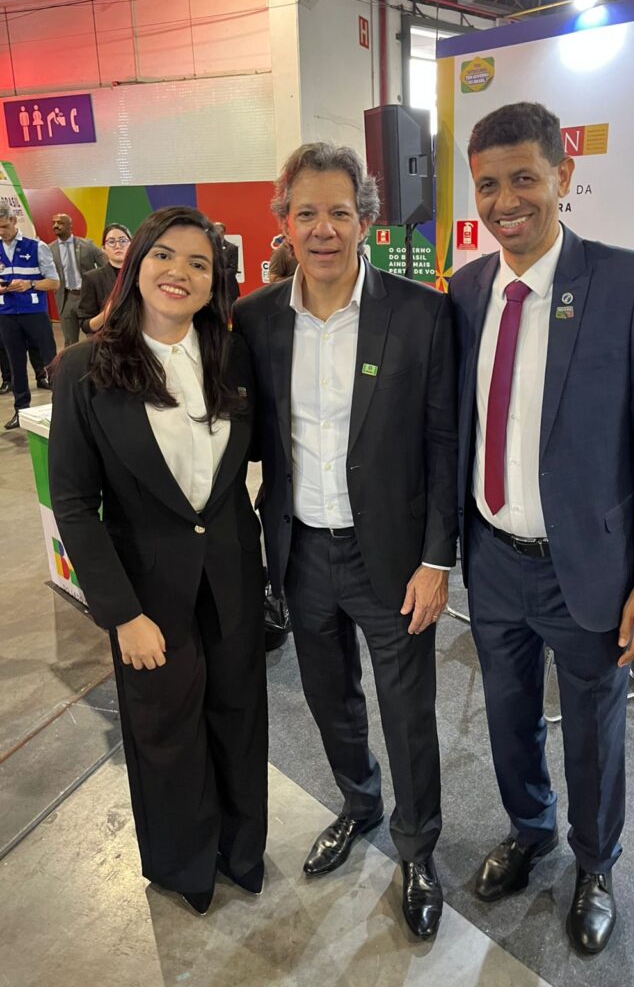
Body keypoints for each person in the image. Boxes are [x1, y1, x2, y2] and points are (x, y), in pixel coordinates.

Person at [448, 102, 634, 955]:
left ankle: (595, 864)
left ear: (563, 178)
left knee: (592, 731)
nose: (505, 201)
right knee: (508, 717)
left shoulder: (628, 283)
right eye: (487, 185)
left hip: (589, 567)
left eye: (524, 179)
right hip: (493, 559)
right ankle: (530, 830)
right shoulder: (467, 290)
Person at [234, 143, 457, 941]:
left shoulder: (420, 313)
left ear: (366, 220)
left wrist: (437, 559)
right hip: (301, 551)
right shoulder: (256, 318)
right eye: (306, 213)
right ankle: (359, 805)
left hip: (392, 558)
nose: (322, 229)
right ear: (284, 223)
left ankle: (417, 850)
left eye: (338, 212)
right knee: (330, 699)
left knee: (407, 711)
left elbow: (443, 445)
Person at [48, 206, 268, 917]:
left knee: (239, 718)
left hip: (232, 578)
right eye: (164, 256)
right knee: (166, 734)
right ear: (136, 264)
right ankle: (186, 866)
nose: (180, 272)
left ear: (215, 281)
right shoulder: (84, 369)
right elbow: (75, 505)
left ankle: (242, 851)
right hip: (147, 595)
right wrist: (121, 614)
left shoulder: (233, 357)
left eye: (199, 263)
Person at [0, 205, 60, 430]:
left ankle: (61, 408)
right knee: (16, 364)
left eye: (5, 226)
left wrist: (30, 284)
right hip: (7, 315)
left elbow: (54, 282)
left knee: (51, 361)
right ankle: (21, 410)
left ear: (14, 220)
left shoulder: (37, 247)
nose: (2, 232)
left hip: (35, 313)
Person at [48, 213, 105, 347]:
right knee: (70, 342)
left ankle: (97, 360)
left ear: (70, 226)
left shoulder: (88, 245)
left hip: (88, 297)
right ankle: (72, 361)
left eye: (60, 223)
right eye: (54, 223)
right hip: (66, 299)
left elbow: (106, 266)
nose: (56, 226)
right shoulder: (49, 249)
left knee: (95, 338)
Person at [78, 223, 132, 334]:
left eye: (123, 241)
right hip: (108, 339)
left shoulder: (142, 274)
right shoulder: (92, 278)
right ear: (103, 248)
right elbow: (86, 326)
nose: (118, 246)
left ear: (131, 245)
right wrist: (106, 314)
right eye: (111, 242)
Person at [213, 221, 240, 308]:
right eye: (215, 232)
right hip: (211, 290)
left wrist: (217, 274)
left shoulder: (232, 248)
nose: (218, 235)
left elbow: (232, 269)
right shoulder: (207, 248)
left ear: (224, 233)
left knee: (228, 313)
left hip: (227, 289)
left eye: (220, 232)